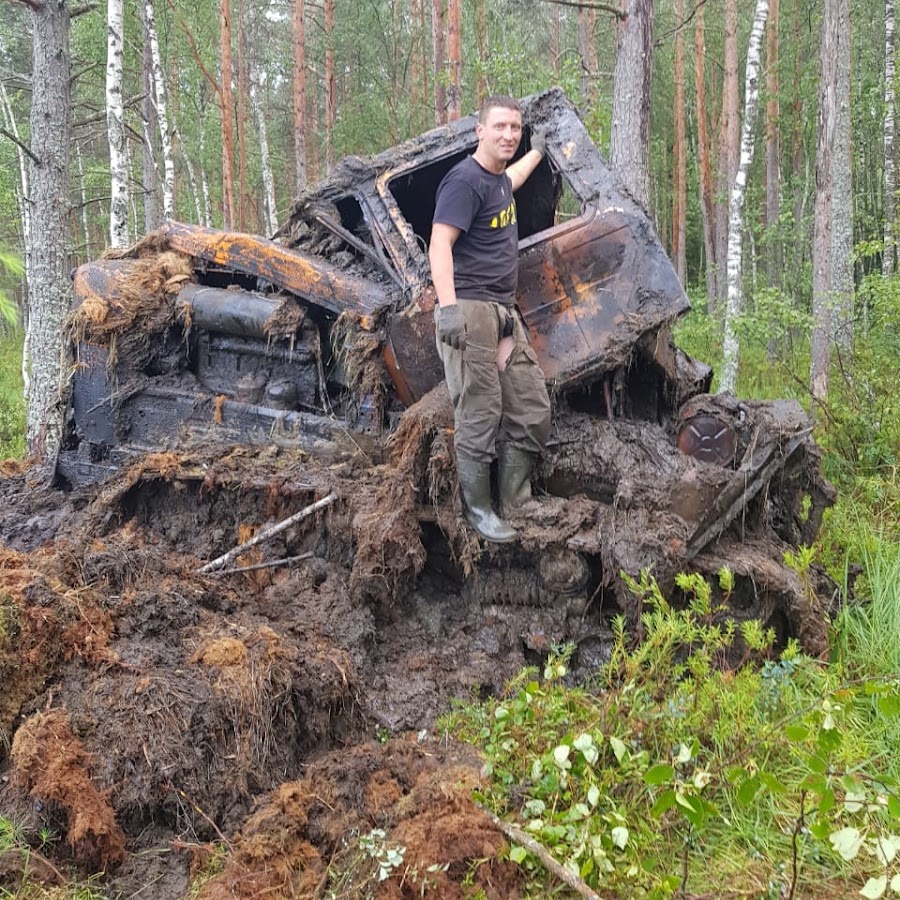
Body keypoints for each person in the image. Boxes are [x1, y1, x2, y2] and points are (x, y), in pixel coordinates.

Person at [429, 95, 552, 543]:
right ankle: (479, 512)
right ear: (479, 131)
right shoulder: (464, 181)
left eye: (515, 129)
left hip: (502, 311)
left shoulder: (497, 179)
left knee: (530, 403)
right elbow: (439, 244)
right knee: (480, 411)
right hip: (471, 308)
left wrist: (538, 150)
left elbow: (512, 179)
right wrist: (447, 311)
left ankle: (515, 500)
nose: (508, 135)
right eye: (500, 127)